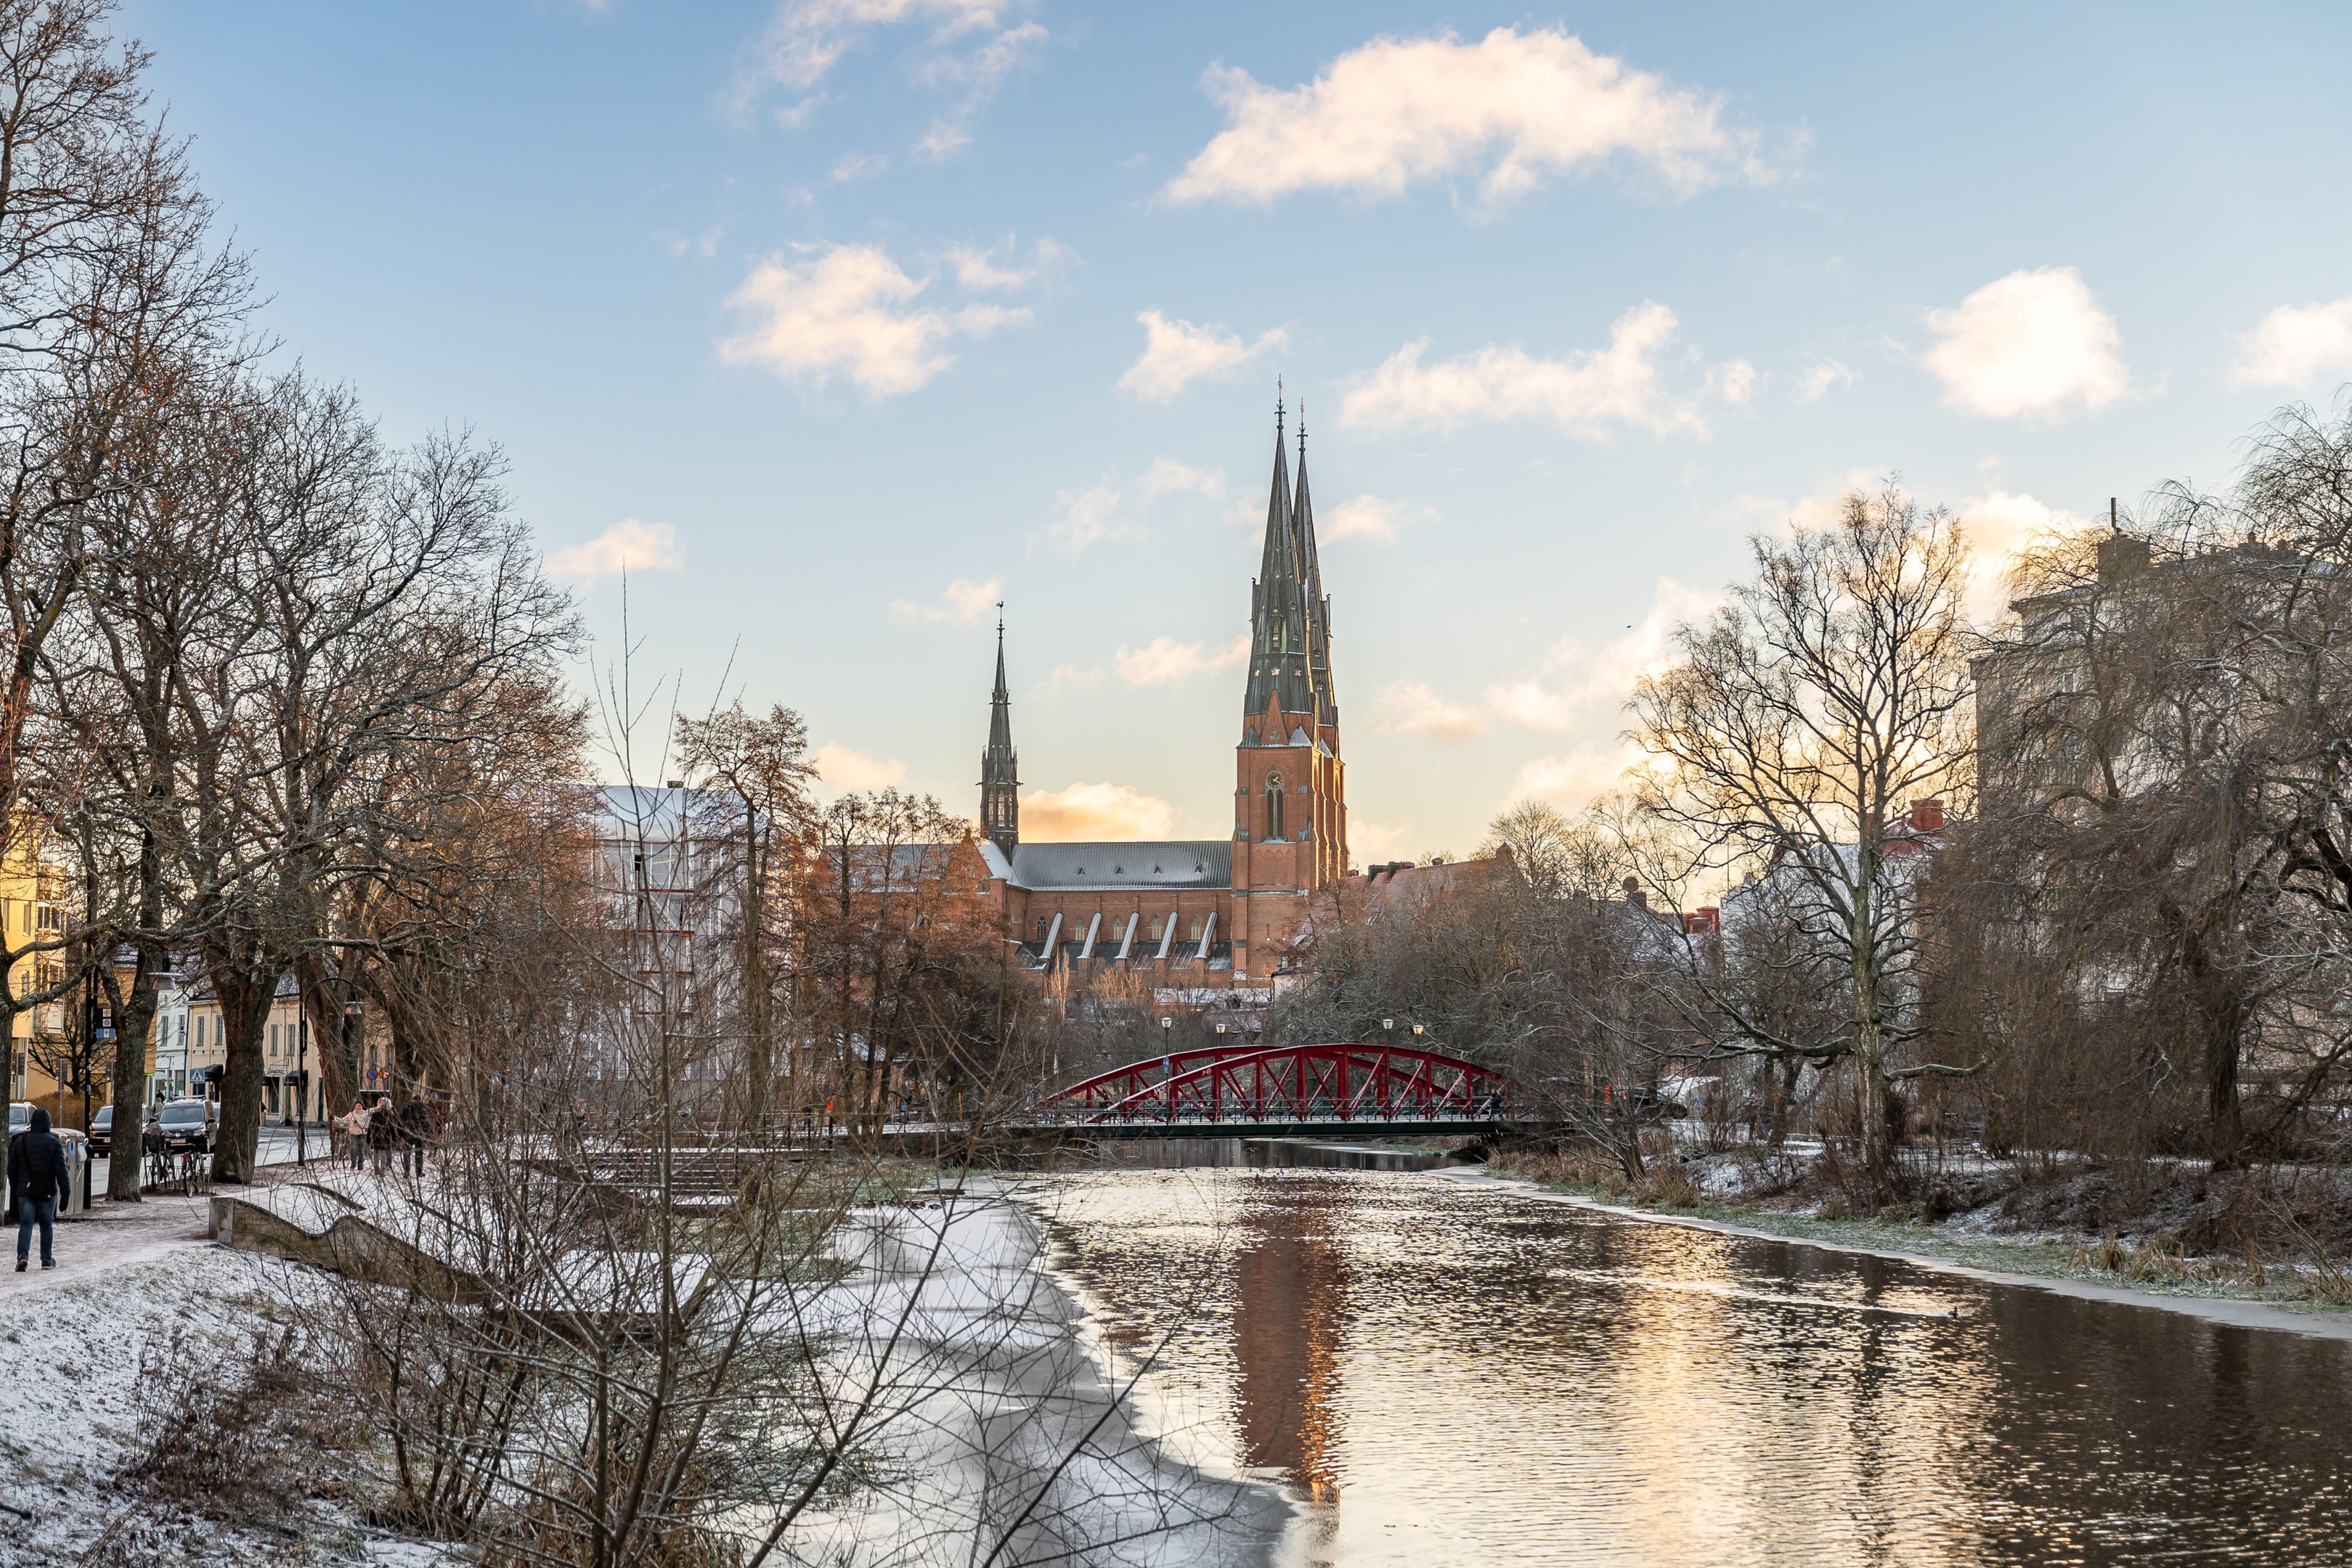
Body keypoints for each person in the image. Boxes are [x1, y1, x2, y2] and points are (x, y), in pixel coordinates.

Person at [8, 1106, 70, 1272]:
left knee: (26, 1223)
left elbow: (12, 1169)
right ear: (48, 1123)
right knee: (46, 1225)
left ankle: (22, 1256)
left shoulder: (21, 1142)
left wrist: (16, 1187)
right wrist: (66, 1194)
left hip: (25, 1191)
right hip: (47, 1190)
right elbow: (61, 1171)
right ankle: (46, 1260)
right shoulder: (54, 1143)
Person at [397, 1091, 431, 1178]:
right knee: (419, 1153)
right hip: (419, 1135)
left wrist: (401, 1134)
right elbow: (426, 1124)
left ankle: (406, 1172)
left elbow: (401, 1122)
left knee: (407, 1152)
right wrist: (426, 1134)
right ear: (420, 1100)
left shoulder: (406, 1109)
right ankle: (419, 1172)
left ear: (413, 1100)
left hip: (408, 1134)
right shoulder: (423, 1110)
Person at [367, 1094, 396, 1174]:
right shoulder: (389, 1115)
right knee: (383, 1153)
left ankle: (376, 1167)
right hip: (386, 1137)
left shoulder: (375, 1114)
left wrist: (368, 1137)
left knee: (376, 1152)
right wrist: (394, 1138)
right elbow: (392, 1128)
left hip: (376, 1136)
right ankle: (383, 1169)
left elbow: (371, 1126)